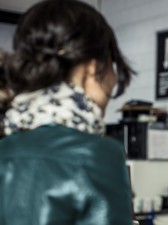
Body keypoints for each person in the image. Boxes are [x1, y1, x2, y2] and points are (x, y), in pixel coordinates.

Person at [0, 0, 136, 224]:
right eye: (112, 64)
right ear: (92, 67)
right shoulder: (95, 153)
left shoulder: (6, 145)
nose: (113, 82)